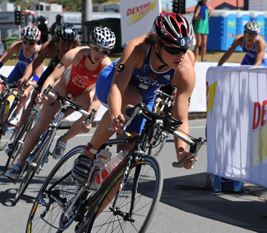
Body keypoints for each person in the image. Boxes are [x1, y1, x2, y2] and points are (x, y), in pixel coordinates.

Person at [72, 12, 196, 187]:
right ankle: (88, 153)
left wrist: (181, 152)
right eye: (174, 49)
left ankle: (85, 210)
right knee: (132, 98)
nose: (180, 55)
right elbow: (116, 88)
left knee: (125, 163)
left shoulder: (186, 68)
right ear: (157, 45)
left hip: (144, 96)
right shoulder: (138, 48)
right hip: (112, 83)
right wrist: (115, 113)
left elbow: (180, 118)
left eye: (184, 49)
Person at [5, 26, 116, 181]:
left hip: (82, 94)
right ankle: (19, 163)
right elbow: (52, 77)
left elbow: (97, 100)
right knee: (42, 124)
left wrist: (89, 121)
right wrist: (43, 93)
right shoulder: (75, 54)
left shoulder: (106, 66)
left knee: (90, 114)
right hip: (63, 87)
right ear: (91, 44)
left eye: (105, 51)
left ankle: (63, 139)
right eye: (97, 49)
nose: (100, 54)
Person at [12, 23, 80, 155]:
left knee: (52, 113)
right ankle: (17, 136)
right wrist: (26, 77)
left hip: (65, 78)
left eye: (69, 44)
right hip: (50, 74)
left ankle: (43, 144)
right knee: (32, 103)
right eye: (63, 43)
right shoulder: (49, 46)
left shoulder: (77, 51)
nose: (66, 47)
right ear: (56, 41)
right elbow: (35, 63)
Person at [0, 25, 41, 137]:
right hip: (19, 69)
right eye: (25, 42)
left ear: (37, 42)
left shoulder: (39, 51)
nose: (27, 45)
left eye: (31, 43)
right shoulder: (16, 46)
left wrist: (28, 88)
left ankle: (16, 113)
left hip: (32, 74)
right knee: (3, 94)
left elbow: (37, 76)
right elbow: (1, 61)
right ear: (21, 40)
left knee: (26, 92)